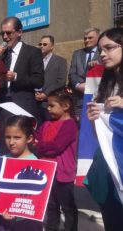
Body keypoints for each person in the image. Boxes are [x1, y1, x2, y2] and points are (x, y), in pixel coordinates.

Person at [85, 27, 123, 231]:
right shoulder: (105, 85)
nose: (102, 54)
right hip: (108, 166)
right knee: (112, 218)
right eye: (100, 49)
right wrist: (94, 121)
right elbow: (100, 135)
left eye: (109, 48)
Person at [0, 16, 44, 154]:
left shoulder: (32, 52)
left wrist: (16, 77)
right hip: (3, 108)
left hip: (22, 107)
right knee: (4, 147)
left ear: (19, 32)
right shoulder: (2, 54)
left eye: (9, 33)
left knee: (24, 148)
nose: (5, 37)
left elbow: (38, 81)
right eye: (2, 33)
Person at [35, 88, 78, 231]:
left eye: (52, 105)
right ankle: (51, 228)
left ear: (66, 106)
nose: (48, 108)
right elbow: (38, 137)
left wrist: (39, 145)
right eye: (48, 105)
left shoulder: (70, 124)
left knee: (67, 206)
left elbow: (56, 146)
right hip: (47, 171)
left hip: (63, 173)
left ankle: (71, 228)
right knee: (51, 205)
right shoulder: (46, 123)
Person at [68, 27, 101, 119]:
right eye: (85, 38)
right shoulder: (77, 53)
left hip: (97, 98)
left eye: (90, 38)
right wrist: (78, 85)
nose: (87, 40)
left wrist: (99, 65)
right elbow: (72, 74)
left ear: (98, 38)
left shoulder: (103, 52)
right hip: (80, 99)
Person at [35, 35, 68, 121]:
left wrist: (45, 94)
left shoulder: (60, 61)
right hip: (35, 101)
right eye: (40, 44)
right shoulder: (34, 61)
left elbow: (61, 81)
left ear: (52, 46)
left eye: (45, 44)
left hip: (50, 102)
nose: (42, 46)